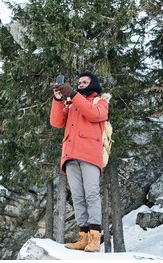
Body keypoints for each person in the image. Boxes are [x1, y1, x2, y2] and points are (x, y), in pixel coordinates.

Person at [50, 71, 108, 252]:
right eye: (79, 82)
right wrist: (58, 100)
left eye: (85, 82)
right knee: (77, 196)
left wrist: (74, 95)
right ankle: (83, 237)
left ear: (93, 84)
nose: (81, 84)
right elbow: (57, 122)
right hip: (70, 155)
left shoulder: (101, 101)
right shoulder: (73, 103)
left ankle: (95, 238)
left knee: (91, 194)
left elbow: (94, 115)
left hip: (90, 154)